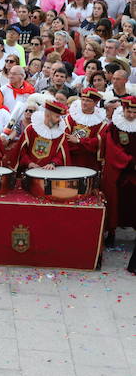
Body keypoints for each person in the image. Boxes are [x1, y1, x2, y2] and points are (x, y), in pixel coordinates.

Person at [100, 97, 136, 271]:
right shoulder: (114, 126)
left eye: (135, 112)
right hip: (118, 170)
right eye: (129, 111)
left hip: (134, 172)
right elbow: (112, 147)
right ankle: (111, 232)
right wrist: (128, 161)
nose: (131, 115)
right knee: (114, 200)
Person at [12, 99, 70, 172]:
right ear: (48, 115)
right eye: (57, 117)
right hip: (29, 171)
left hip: (50, 173)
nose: (60, 120)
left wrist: (53, 163)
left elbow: (61, 155)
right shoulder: (31, 129)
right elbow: (21, 150)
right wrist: (29, 163)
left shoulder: (60, 133)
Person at [65, 88, 106, 171]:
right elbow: (66, 137)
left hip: (89, 160)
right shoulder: (71, 117)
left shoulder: (101, 122)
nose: (84, 103)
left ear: (95, 103)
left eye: (88, 100)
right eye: (82, 100)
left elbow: (99, 141)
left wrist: (79, 141)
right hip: (71, 158)